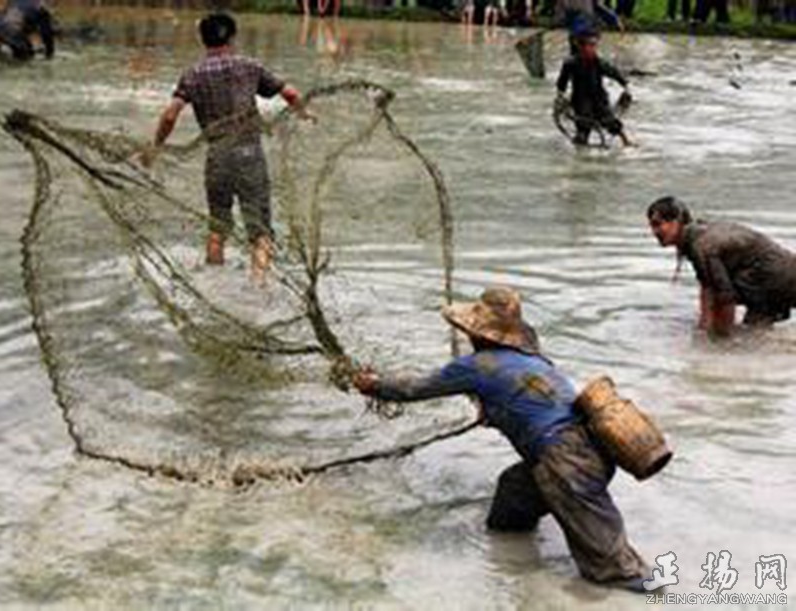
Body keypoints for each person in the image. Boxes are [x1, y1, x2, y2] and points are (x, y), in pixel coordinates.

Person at [353, 287, 649, 592]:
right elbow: (531, 403)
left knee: (618, 572)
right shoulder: (535, 361)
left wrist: (374, 385)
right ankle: (515, 566)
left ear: (476, 333)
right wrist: (493, 413)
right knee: (512, 500)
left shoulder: (477, 366)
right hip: (590, 452)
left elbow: (413, 388)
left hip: (566, 463)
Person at [141, 13, 313, 278]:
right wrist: (304, 114)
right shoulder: (250, 66)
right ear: (232, 36)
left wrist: (155, 147)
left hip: (217, 158)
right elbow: (290, 94)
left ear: (203, 40)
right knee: (259, 231)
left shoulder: (192, 75)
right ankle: (259, 292)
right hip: (249, 155)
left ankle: (214, 284)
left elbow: (169, 115)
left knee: (218, 228)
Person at [648, 196, 796, 336]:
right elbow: (707, 288)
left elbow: (725, 297)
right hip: (777, 277)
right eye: (651, 225)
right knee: (755, 335)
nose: (654, 232)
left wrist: (721, 340)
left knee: (744, 337)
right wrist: (703, 328)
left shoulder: (702, 245)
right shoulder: (697, 236)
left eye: (658, 224)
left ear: (676, 222)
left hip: (776, 280)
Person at [555, 26, 632, 147]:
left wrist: (625, 85)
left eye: (593, 45)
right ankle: (581, 145)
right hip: (580, 99)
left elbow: (613, 72)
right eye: (588, 45)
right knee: (583, 126)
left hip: (599, 98)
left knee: (611, 122)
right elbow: (562, 82)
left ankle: (626, 142)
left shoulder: (598, 62)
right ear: (579, 47)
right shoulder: (570, 63)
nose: (590, 49)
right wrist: (560, 96)